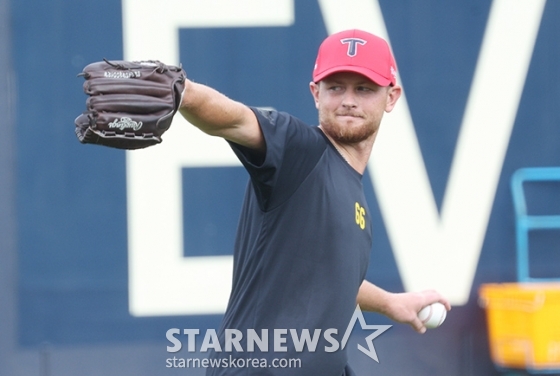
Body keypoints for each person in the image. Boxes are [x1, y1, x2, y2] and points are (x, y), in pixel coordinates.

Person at [178, 29, 451, 376]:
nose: (348, 100)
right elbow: (233, 118)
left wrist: (391, 303)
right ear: (315, 93)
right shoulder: (299, 152)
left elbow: (332, 277)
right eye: (336, 87)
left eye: (364, 88)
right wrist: (181, 91)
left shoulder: (351, 190)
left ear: (391, 97)